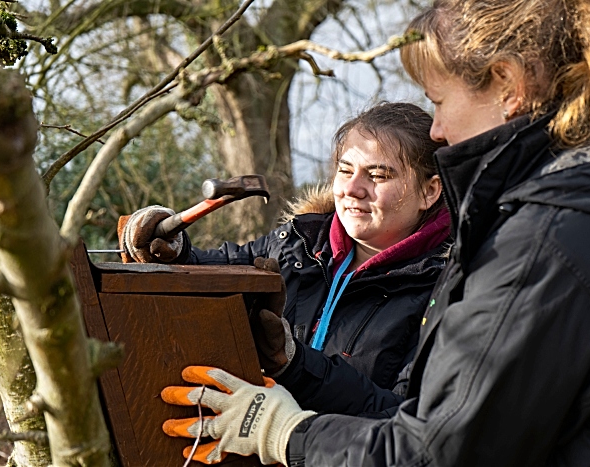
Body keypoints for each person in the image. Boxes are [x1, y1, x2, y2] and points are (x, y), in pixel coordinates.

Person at [159, 0, 590, 465]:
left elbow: (433, 450)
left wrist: (287, 432)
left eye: (440, 101)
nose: (438, 131)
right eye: (345, 169)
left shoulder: (544, 241)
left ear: (508, 84)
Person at [123, 102, 451, 417]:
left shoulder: (447, 289)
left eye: (378, 175)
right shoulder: (297, 243)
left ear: (429, 191)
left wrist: (293, 364)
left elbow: (407, 421)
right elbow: (209, 272)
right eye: (345, 170)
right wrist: (171, 247)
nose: (352, 189)